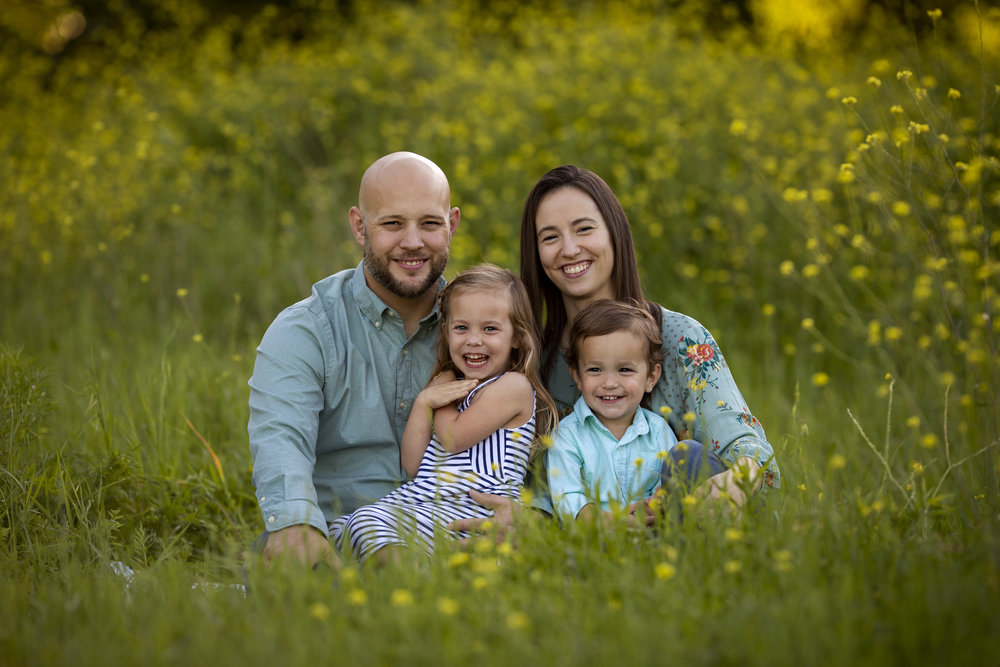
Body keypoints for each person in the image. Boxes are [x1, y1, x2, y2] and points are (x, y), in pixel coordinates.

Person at [247, 152, 510, 569]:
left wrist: (532, 513)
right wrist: (295, 523)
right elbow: (281, 437)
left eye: (429, 223)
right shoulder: (307, 330)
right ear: (359, 226)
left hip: (456, 545)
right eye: (392, 224)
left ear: (452, 224)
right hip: (333, 551)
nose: (412, 242)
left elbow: (538, 429)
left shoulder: (486, 331)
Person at [520, 165, 780, 512]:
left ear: (614, 232)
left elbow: (745, 449)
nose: (569, 249)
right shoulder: (532, 361)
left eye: (583, 229)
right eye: (550, 237)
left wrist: (735, 478)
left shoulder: (680, 338)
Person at [329, 264, 557, 564]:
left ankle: (411, 575)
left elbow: (452, 439)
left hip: (472, 508)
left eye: (490, 328)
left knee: (368, 527)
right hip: (427, 501)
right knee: (344, 527)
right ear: (446, 331)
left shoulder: (512, 387)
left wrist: (441, 399)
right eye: (461, 328)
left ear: (516, 337)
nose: (473, 340)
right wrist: (425, 403)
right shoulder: (447, 388)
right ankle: (388, 574)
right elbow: (413, 464)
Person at [547, 299, 680, 527]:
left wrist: (657, 504)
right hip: (595, 539)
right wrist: (611, 523)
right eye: (595, 370)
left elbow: (672, 484)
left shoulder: (658, 432)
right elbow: (567, 497)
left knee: (691, 456)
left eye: (625, 370)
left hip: (653, 536)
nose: (609, 383)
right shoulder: (566, 436)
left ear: (651, 377)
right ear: (577, 376)